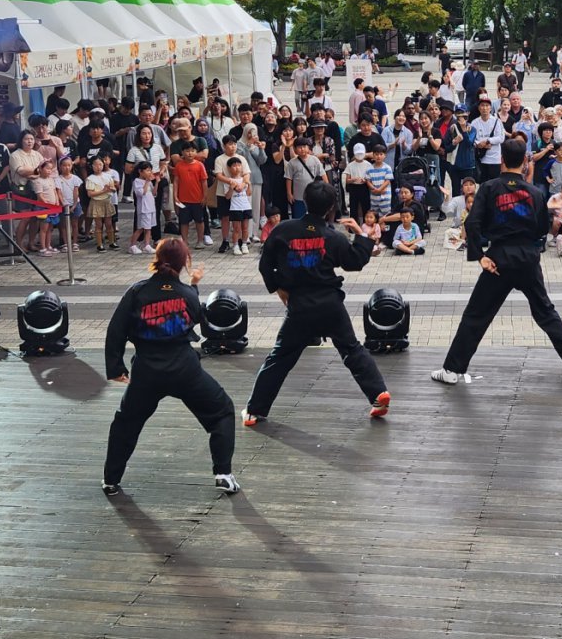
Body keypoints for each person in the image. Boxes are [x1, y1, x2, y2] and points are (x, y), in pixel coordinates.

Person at [243, 181, 391, 425]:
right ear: (331, 207)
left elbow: (265, 265)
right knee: (352, 349)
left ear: (304, 200)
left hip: (299, 304)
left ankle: (254, 411)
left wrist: (279, 288)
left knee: (280, 358)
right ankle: (378, 392)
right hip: (330, 303)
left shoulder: (283, 230)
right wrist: (361, 234)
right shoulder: (333, 236)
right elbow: (354, 261)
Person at [432, 139, 562, 384]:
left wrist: (480, 256)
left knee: (477, 314)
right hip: (528, 259)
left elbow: (472, 223)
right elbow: (543, 228)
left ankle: (451, 370)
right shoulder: (534, 192)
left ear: (501, 160)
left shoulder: (489, 188)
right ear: (524, 162)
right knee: (544, 310)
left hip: (498, 259)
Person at [102, 238, 239, 497]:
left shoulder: (137, 292)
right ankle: (223, 473)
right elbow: (198, 316)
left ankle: (111, 479)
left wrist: (116, 368)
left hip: (146, 371)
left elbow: (116, 330)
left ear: (156, 258)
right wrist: (195, 285)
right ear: (184, 263)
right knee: (222, 411)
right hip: (184, 370)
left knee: (126, 424)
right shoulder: (187, 294)